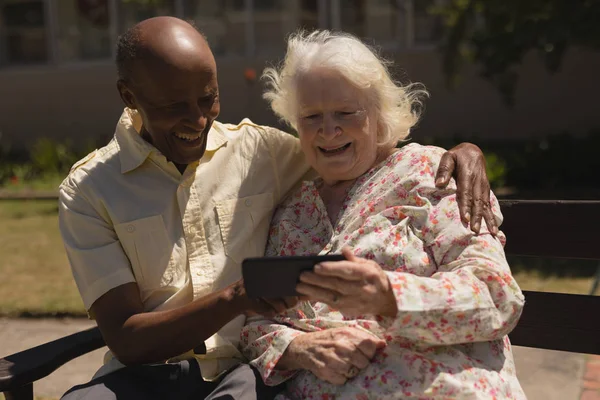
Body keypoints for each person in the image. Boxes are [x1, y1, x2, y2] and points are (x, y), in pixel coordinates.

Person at [58, 17, 497, 400]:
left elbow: (360, 149)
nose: (196, 119)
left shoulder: (261, 152)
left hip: (241, 377)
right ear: (128, 95)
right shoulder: (89, 189)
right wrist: (241, 303)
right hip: (144, 375)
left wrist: (465, 151)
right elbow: (129, 340)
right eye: (173, 107)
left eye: (207, 98)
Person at [240, 30, 526, 399]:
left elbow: (496, 297)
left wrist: (390, 296)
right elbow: (255, 323)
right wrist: (298, 349)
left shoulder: (429, 174)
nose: (328, 130)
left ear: (379, 115)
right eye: (312, 117)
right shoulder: (291, 214)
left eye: (346, 112)